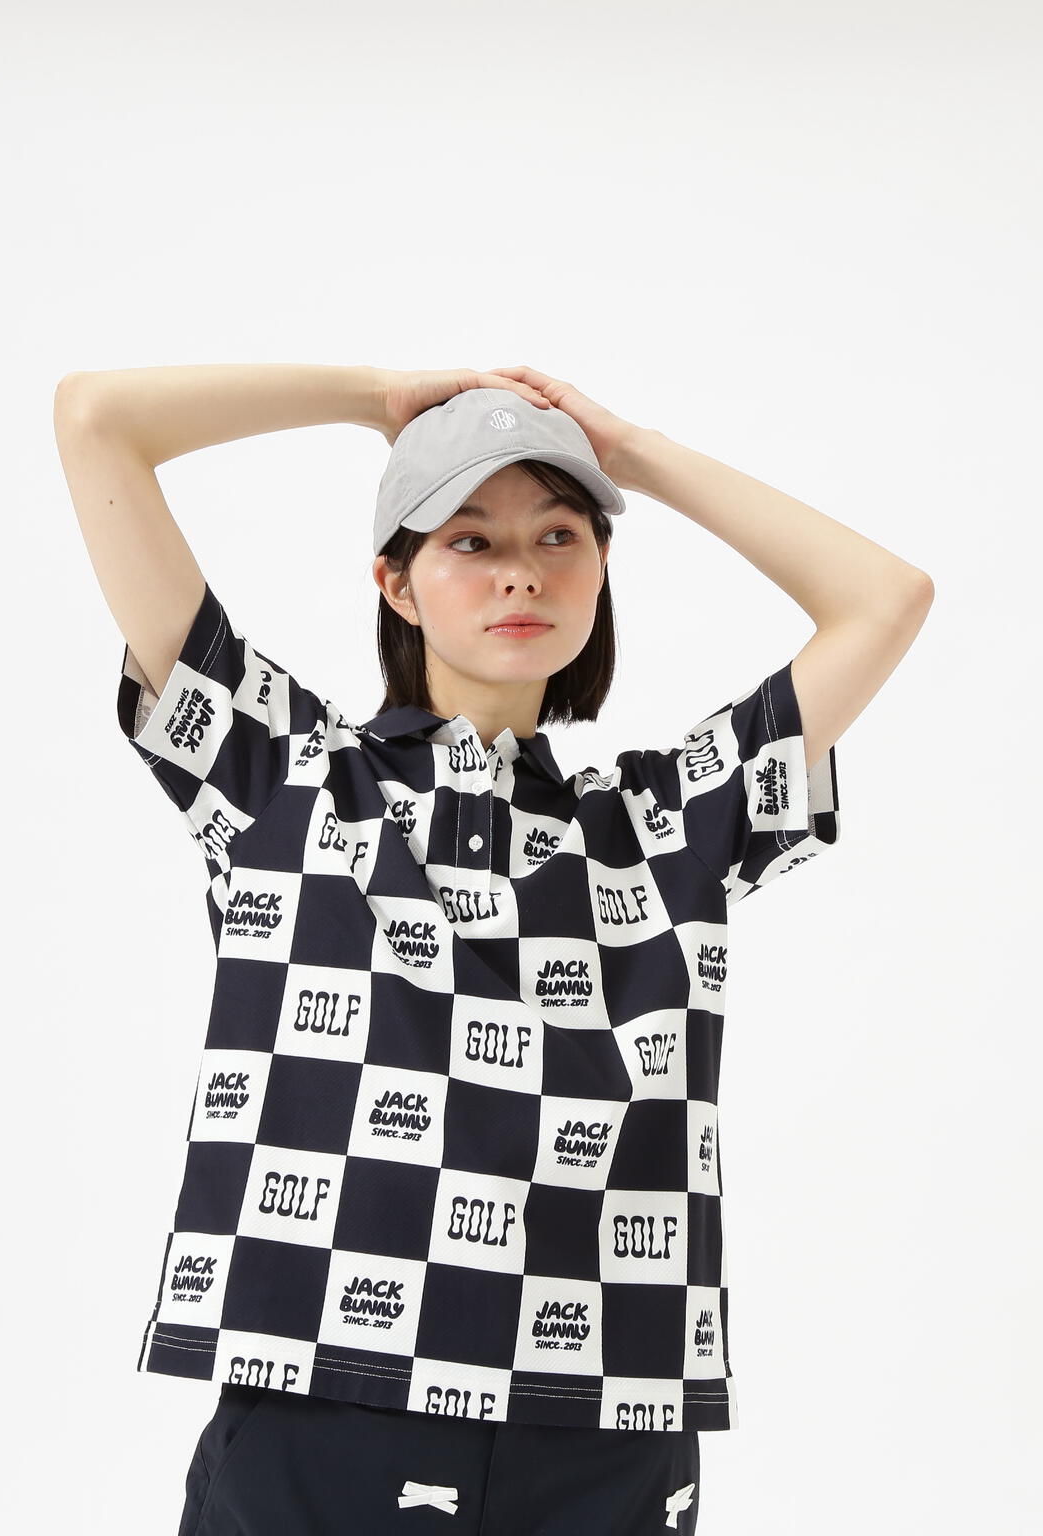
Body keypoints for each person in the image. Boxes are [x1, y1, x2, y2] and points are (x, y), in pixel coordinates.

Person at [53, 362, 934, 1534]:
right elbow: (98, 420)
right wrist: (374, 399)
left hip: (607, 1425)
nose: (521, 570)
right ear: (396, 583)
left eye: (558, 534)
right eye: (469, 540)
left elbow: (885, 597)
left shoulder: (660, 827)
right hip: (324, 1399)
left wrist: (628, 452)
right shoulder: (282, 775)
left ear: (600, 568)